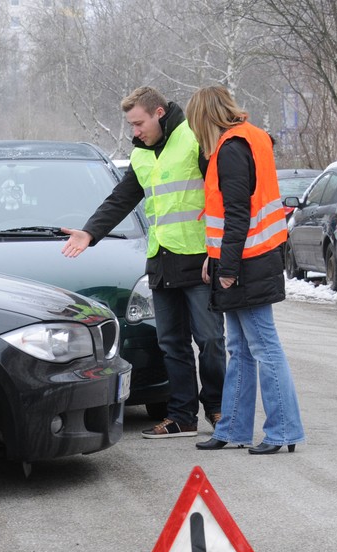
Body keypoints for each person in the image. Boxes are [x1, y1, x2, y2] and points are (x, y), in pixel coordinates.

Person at [61, 86, 226, 439]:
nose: (134, 132)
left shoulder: (194, 137)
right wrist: (89, 233)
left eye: (139, 123)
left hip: (199, 259)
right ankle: (182, 416)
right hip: (162, 260)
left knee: (210, 340)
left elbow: (223, 191)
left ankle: (219, 407)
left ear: (159, 114)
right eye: (131, 126)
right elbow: (120, 199)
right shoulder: (141, 156)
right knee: (171, 343)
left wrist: (222, 251)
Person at [185, 85, 305, 455]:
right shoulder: (250, 139)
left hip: (247, 261)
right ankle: (234, 427)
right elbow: (239, 213)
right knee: (241, 347)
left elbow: (238, 213)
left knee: (262, 347)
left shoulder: (232, 149)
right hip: (251, 257)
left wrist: (228, 266)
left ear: (205, 118)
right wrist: (216, 256)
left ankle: (282, 430)